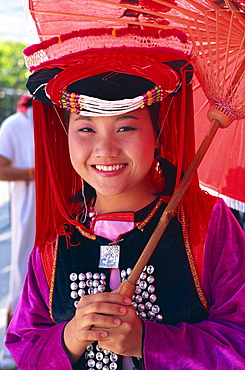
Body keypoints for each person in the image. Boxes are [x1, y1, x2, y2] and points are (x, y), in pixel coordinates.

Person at [5, 6, 245, 370]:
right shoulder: (57, 242)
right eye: (86, 128)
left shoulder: (208, 225)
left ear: (158, 133)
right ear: (64, 136)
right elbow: (25, 345)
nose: (105, 149)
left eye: (126, 127)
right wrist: (69, 338)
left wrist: (150, 342)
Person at [0, 93, 35, 369]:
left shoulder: (56, 124)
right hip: (27, 210)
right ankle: (11, 347)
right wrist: (33, 173)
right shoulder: (13, 125)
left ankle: (36, 344)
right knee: (21, 275)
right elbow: (1, 169)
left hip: (57, 208)